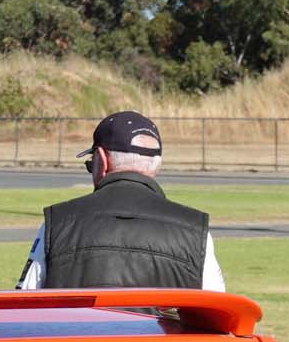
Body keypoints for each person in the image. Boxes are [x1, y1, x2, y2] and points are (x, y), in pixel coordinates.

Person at [16, 110, 224, 292]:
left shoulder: (57, 223)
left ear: (102, 160)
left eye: (91, 164)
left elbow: (26, 302)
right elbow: (218, 311)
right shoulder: (196, 231)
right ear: (155, 165)